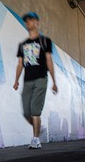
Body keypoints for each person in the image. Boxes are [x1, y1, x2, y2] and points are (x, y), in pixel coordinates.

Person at [13, 12, 58, 149]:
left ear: (37, 22)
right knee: (26, 112)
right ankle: (37, 127)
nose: (28, 22)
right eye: (26, 20)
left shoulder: (45, 41)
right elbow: (20, 64)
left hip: (40, 79)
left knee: (35, 111)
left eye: (31, 20)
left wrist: (54, 81)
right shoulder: (22, 45)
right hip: (27, 80)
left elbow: (49, 61)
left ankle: (35, 139)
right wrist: (16, 81)